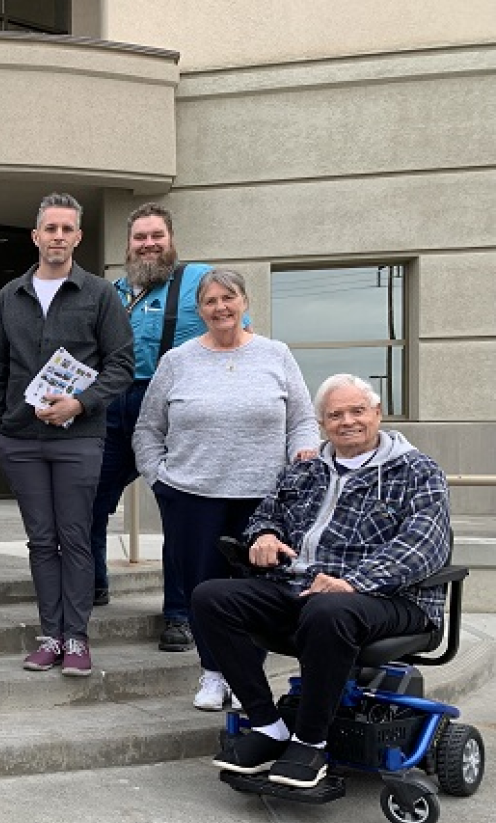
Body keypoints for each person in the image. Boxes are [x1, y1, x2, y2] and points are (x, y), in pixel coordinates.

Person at [193, 374, 450, 789]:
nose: (347, 421)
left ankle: (311, 741)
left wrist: (353, 581)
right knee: (211, 597)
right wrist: (263, 536)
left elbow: (424, 546)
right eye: (335, 415)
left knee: (329, 608)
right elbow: (265, 515)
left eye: (357, 411)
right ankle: (268, 726)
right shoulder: (304, 470)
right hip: (303, 592)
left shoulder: (417, 470)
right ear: (322, 423)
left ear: (377, 414)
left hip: (391, 597)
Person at [133, 269, 319, 710]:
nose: (220, 307)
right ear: (199, 310)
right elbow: (147, 428)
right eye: (211, 301)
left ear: (244, 302)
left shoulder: (276, 354)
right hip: (193, 498)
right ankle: (213, 673)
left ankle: (245, 676)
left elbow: (303, 420)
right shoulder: (177, 361)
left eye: (228, 298)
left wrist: (304, 457)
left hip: (265, 502)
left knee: (258, 591)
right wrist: (160, 480)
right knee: (202, 590)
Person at [0, 193, 133, 677]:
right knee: (41, 540)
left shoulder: (100, 294)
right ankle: (50, 635)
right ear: (36, 236)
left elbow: (121, 365)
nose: (58, 237)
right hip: (21, 440)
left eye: (67, 229)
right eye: (50, 229)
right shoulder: (11, 296)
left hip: (78, 437)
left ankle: (77, 637)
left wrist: (80, 403)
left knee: (75, 537)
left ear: (78, 237)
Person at [90, 204, 216, 653]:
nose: (148, 244)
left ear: (171, 239)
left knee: (179, 511)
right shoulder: (112, 292)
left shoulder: (202, 281)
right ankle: (93, 585)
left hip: (175, 406)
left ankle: (179, 614)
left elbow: (232, 334)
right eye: (140, 237)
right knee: (91, 499)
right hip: (114, 403)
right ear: (127, 245)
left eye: (156, 236)